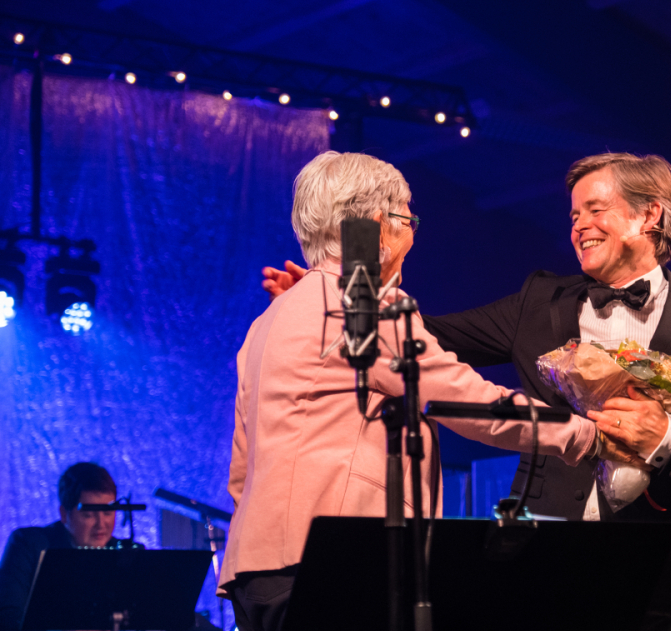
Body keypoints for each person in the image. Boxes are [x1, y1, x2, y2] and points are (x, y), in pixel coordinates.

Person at [263, 152, 671, 630]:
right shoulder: (540, 301)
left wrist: (666, 437)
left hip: (655, 574)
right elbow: (426, 338)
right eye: (573, 215)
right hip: (538, 571)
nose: (579, 226)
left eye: (595, 210)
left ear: (649, 215)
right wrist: (338, 307)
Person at [221, 151, 643, 631]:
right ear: (375, 226)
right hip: (336, 556)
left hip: (253, 568)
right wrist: (588, 435)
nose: (412, 236)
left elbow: (242, 467)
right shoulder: (364, 304)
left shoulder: (267, 322)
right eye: (406, 219)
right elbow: (467, 401)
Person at [0, 462, 118, 631]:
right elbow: (8, 617)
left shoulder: (124, 552)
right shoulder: (29, 545)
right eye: (89, 515)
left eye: (108, 513)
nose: (101, 524)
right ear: (64, 514)